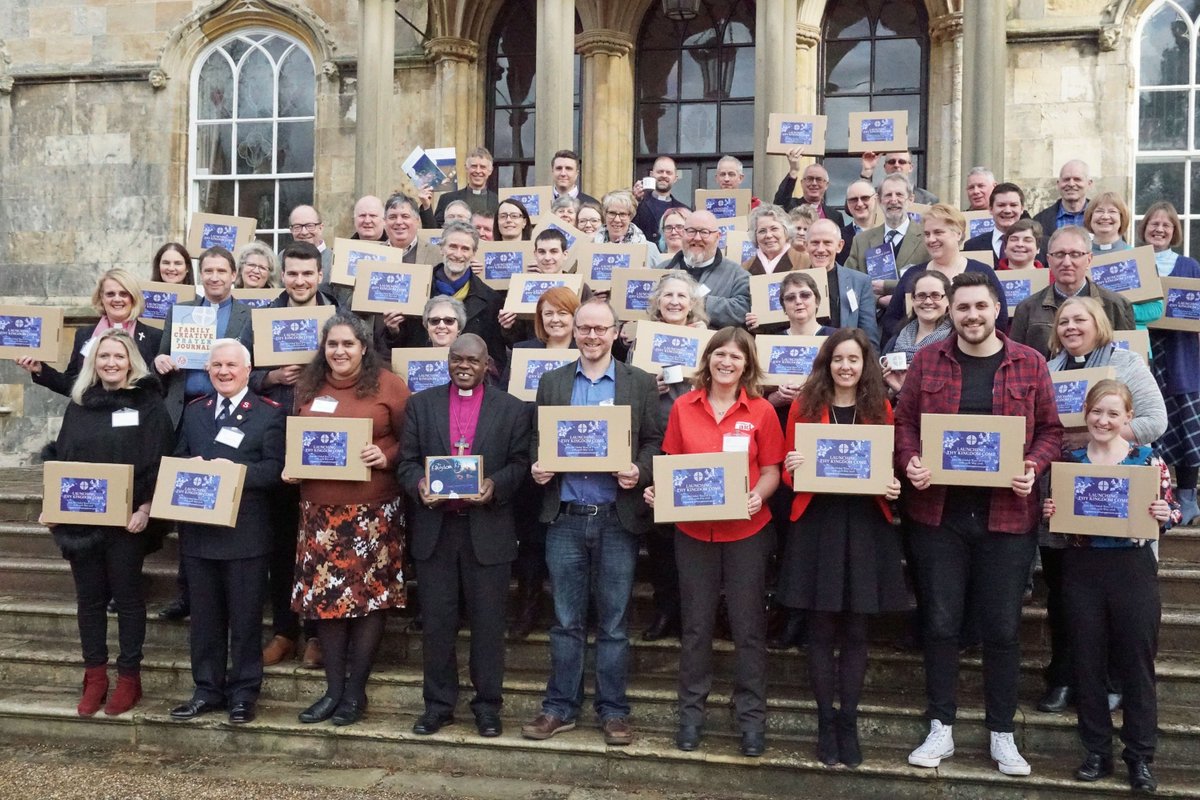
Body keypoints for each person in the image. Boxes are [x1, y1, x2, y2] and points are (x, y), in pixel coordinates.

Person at [895, 271, 1063, 777]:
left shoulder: (1028, 362)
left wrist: (1032, 465)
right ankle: (940, 725)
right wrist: (911, 462)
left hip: (1007, 518)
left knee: (1002, 629)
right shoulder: (929, 359)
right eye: (962, 307)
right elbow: (903, 423)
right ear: (950, 311)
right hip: (938, 514)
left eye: (980, 307)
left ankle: (1002, 733)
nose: (971, 316)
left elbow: (1052, 431)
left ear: (997, 310)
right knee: (941, 624)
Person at [521, 299, 663, 747]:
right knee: (565, 620)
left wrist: (640, 470)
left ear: (616, 332)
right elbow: (538, 438)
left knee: (615, 621)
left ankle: (613, 711)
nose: (592, 336)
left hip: (616, 518)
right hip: (565, 515)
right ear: (574, 331)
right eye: (584, 329)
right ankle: (559, 708)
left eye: (601, 329)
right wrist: (538, 465)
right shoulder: (553, 381)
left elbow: (654, 440)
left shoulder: (638, 382)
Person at [643, 326, 784, 758]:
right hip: (693, 534)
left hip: (745, 533)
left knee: (748, 629)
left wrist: (756, 496)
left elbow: (773, 470)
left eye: (736, 357)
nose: (727, 362)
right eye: (720, 354)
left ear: (748, 364)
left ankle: (751, 720)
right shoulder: (683, 407)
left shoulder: (761, 411)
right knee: (697, 627)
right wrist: (658, 492)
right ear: (708, 359)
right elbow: (670, 464)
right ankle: (691, 716)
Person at [1042, 380, 1178, 793]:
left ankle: (1139, 757)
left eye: (1113, 413)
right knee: (1086, 661)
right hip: (1082, 567)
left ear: (1128, 419)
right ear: (1086, 413)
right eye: (1097, 412)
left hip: (1132, 568)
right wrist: (1052, 509)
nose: (1103, 420)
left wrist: (1164, 512)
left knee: (1137, 666)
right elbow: (1057, 518)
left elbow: (1169, 510)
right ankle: (1096, 751)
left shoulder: (1148, 462)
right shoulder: (1070, 462)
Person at [778, 328, 906, 766]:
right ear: (826, 363)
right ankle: (824, 720)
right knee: (820, 628)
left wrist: (892, 486)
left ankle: (847, 720)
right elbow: (790, 474)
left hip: (865, 523)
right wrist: (792, 467)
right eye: (837, 359)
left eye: (853, 359)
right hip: (818, 523)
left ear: (864, 364)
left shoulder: (879, 406)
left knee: (855, 629)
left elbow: (888, 469)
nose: (845, 366)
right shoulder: (804, 405)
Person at [397, 334, 532, 738]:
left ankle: (488, 706)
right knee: (438, 625)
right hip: (436, 530)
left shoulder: (511, 409)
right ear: (447, 360)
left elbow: (521, 463)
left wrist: (494, 484)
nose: (463, 365)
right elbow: (405, 463)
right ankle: (438, 705)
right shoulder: (421, 405)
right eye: (457, 359)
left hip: (487, 530)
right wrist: (419, 484)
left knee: (488, 626)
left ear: (487, 362)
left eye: (472, 359)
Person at [1036, 298, 1166, 715]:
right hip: (1066, 498)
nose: (1072, 327)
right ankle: (1064, 675)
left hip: (1118, 497)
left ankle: (1111, 678)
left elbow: (1155, 421)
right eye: (1064, 321)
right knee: (1063, 593)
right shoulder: (1050, 370)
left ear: (1100, 323)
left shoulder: (1127, 364)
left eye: (1081, 319)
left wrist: (1101, 432)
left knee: (1114, 602)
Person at [40, 329, 173, 717]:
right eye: (103, 356)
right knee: (90, 601)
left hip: (127, 521)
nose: (111, 363)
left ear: (131, 359)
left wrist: (146, 508)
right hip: (81, 519)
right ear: (92, 362)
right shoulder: (80, 404)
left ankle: (129, 676)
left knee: (129, 601)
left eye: (118, 356)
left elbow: (159, 459)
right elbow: (61, 458)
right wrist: (53, 505)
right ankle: (94, 675)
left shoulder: (148, 404)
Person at [289, 313, 410, 726]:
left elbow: (412, 441)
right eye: (332, 345)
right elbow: (297, 439)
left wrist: (387, 456)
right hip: (319, 514)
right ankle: (333, 691)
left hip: (372, 513)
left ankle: (355, 692)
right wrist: (292, 465)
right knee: (326, 606)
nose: (339, 352)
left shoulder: (390, 386)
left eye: (348, 345)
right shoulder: (308, 386)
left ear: (363, 348)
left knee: (368, 602)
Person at [168, 339, 285, 726]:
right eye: (216, 365)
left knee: (246, 620)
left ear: (248, 370)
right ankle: (206, 690)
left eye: (231, 365)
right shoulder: (195, 410)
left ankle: (243, 694)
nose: (223, 371)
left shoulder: (269, 414)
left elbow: (276, 471)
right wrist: (193, 465)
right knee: (204, 620)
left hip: (246, 535)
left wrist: (231, 474)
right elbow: (178, 458)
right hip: (199, 534)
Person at [250, 240, 341, 669]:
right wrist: (269, 376)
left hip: (325, 447)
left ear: (319, 274)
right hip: (275, 446)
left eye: (308, 274)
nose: (300, 281)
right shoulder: (263, 317)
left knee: (322, 544)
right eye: (292, 273)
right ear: (281, 274)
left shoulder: (340, 317)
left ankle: (318, 634)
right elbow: (234, 369)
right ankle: (285, 629)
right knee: (282, 545)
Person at [627, 272, 710, 642]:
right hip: (656, 443)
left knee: (695, 534)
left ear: (692, 303)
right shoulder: (640, 343)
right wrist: (647, 387)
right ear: (657, 303)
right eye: (668, 296)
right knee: (661, 537)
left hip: (697, 442)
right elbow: (624, 401)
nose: (675, 301)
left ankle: (696, 614)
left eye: (682, 296)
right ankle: (665, 609)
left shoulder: (708, 340)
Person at [508, 287, 581, 639]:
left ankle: (581, 607)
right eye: (548, 313)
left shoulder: (588, 351)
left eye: (563, 313)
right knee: (532, 537)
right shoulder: (522, 352)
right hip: (531, 453)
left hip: (578, 455)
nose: (555, 320)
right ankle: (528, 604)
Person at [1139, 201, 1200, 525]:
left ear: (1174, 231)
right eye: (1153, 223)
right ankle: (1160, 495)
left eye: (1166, 225)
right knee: (1151, 428)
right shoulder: (1133, 264)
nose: (1159, 229)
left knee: (1187, 428)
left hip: (1181, 356)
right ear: (1144, 227)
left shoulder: (1190, 266)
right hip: (1146, 355)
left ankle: (1188, 499)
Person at [153, 245, 255, 430]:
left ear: (233, 275)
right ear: (201, 275)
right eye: (208, 271)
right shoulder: (179, 312)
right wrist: (160, 361)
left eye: (221, 271)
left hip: (227, 410)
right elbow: (162, 356)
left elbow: (254, 367)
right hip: (180, 410)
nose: (214, 277)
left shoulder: (250, 316)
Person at [18, 268, 162, 398]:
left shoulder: (155, 336)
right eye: (110, 294)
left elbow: (160, 387)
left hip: (135, 418)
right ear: (101, 298)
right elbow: (72, 384)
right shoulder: (84, 335)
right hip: (92, 416)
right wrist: (40, 369)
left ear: (133, 298)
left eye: (123, 294)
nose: (117, 299)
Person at [386, 221, 506, 372]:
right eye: (453, 247)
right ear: (442, 248)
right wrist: (393, 330)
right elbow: (398, 347)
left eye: (465, 249)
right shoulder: (414, 290)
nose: (458, 254)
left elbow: (497, 357)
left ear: (473, 253)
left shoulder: (491, 300)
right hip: (421, 378)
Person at [881, 204, 1007, 345]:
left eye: (938, 232)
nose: (931, 239)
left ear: (958, 233)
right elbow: (891, 319)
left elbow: (1000, 319)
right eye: (927, 234)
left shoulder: (982, 271)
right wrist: (911, 340)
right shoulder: (913, 274)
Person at [1008, 226, 1135, 358]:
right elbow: (1016, 361)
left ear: (1089, 259)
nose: (1067, 263)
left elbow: (1129, 360)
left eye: (1075, 254)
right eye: (1059, 254)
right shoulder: (1027, 308)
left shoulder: (1116, 305)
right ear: (1049, 260)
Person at [844, 175, 931, 309]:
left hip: (915, 321)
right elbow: (848, 284)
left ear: (911, 199)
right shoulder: (861, 241)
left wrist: (887, 287)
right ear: (879, 201)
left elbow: (934, 281)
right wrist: (877, 300)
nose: (893, 200)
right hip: (873, 325)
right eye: (888, 195)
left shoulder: (927, 238)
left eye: (899, 195)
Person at [662, 209, 750, 329]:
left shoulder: (737, 275)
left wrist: (700, 302)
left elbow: (744, 309)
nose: (697, 238)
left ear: (718, 237)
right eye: (691, 231)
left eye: (704, 232)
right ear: (683, 234)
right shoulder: (661, 270)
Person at [802, 219, 880, 350]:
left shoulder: (859, 282)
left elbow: (869, 336)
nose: (821, 249)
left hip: (844, 360)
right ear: (806, 245)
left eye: (827, 243)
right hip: (805, 359)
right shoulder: (792, 282)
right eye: (815, 243)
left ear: (839, 246)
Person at [881, 270, 953, 396]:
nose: (928, 301)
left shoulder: (955, 341)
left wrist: (906, 389)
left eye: (935, 295)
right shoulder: (897, 338)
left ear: (947, 300)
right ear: (913, 300)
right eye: (921, 295)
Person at [433, 146, 499, 228]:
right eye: (474, 166)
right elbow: (434, 230)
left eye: (482, 167)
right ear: (466, 168)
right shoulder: (446, 199)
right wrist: (426, 206)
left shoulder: (498, 201)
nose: (478, 171)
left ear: (490, 171)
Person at [631, 156, 689, 246]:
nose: (664, 175)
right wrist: (633, 201)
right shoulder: (637, 204)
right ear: (651, 174)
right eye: (660, 172)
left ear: (675, 178)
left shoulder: (685, 210)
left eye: (668, 173)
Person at [963, 183, 1027, 261]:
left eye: (1013, 205)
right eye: (1001, 205)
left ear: (1022, 209)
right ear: (990, 209)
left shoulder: (1040, 245)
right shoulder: (972, 246)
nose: (1007, 210)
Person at [1033, 160, 1093, 237]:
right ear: (1058, 184)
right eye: (1066, 179)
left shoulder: (1102, 217)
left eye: (1077, 179)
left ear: (1089, 184)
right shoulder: (1040, 221)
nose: (1071, 184)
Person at [742, 204, 805, 275]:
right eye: (762, 231)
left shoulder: (805, 262)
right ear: (755, 236)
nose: (768, 235)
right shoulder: (744, 269)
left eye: (774, 229)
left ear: (786, 231)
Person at [859, 150, 938, 205]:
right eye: (891, 162)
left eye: (902, 162)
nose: (896, 165)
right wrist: (867, 171)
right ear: (885, 167)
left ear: (910, 167)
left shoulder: (928, 199)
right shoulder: (873, 195)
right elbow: (850, 208)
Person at [773, 154, 838, 220]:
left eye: (819, 179)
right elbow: (779, 203)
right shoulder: (790, 205)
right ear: (802, 183)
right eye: (810, 179)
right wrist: (793, 170)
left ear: (826, 185)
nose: (814, 183)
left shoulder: (835, 216)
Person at [837, 180, 878, 265]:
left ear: (875, 199)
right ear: (847, 203)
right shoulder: (838, 237)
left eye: (865, 198)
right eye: (853, 199)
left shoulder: (889, 233)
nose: (859, 203)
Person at [287, 204, 332, 272]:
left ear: (321, 228)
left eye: (310, 226)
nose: (304, 232)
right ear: (291, 230)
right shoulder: (281, 258)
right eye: (297, 227)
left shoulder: (335, 260)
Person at [383, 193, 423, 258]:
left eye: (405, 216)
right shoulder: (373, 255)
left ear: (417, 221)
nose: (398, 222)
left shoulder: (436, 253)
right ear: (385, 221)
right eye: (392, 217)